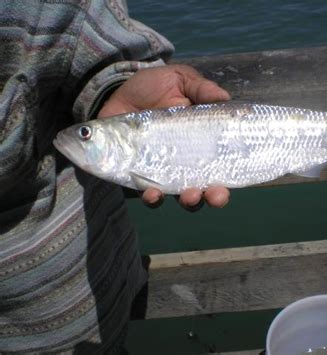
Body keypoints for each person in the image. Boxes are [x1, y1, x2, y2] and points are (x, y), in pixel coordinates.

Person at [0, 0, 230, 353]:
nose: (81, 137)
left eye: (87, 134)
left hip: (85, 294)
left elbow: (88, 33)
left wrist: (112, 85)